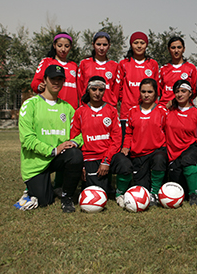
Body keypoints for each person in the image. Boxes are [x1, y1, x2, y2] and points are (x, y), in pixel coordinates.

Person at [17, 65, 83, 213]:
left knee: (75, 155)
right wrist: (52, 150)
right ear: (45, 80)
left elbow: (80, 134)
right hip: (37, 161)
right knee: (44, 201)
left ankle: (67, 196)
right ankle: (31, 188)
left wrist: (73, 142)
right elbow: (27, 139)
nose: (56, 82)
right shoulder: (30, 104)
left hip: (58, 157)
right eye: (52, 79)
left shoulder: (68, 108)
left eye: (60, 79)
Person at [71, 76, 130, 195]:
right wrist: (81, 165)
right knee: (98, 193)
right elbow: (74, 140)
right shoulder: (80, 112)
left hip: (108, 156)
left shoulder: (111, 111)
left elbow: (117, 139)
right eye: (94, 89)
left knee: (126, 164)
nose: (97, 93)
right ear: (88, 90)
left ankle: (120, 193)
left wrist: (106, 161)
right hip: (89, 158)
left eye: (101, 90)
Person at [117, 78, 168, 207]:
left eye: (150, 91)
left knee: (160, 158)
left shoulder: (162, 111)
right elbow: (128, 133)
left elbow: (168, 132)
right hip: (138, 155)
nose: (146, 95)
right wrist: (126, 146)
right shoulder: (132, 111)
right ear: (139, 92)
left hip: (156, 151)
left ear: (156, 93)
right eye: (143, 91)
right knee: (141, 188)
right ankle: (121, 193)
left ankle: (154, 193)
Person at [164, 80, 197, 205]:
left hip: (190, 149)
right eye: (177, 91)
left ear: (190, 93)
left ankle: (194, 195)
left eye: (183, 91)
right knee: (180, 189)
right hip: (173, 153)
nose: (180, 94)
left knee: (188, 160)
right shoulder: (168, 112)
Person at [118, 32, 159, 137]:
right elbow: (119, 88)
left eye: (142, 43)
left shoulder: (153, 64)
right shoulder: (123, 64)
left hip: (148, 111)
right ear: (131, 44)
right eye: (136, 43)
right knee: (127, 144)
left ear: (147, 45)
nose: (139, 46)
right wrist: (127, 99)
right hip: (127, 111)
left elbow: (156, 88)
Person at [31, 32, 78, 109]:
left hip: (71, 108)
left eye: (66, 46)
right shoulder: (47, 62)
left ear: (70, 47)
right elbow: (35, 82)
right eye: (60, 46)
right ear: (54, 45)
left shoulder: (74, 66)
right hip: (51, 107)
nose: (63, 49)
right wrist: (39, 86)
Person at [77, 31, 119, 106]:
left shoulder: (115, 65)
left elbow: (116, 89)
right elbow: (80, 87)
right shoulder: (84, 63)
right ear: (93, 45)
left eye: (105, 45)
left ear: (109, 46)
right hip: (88, 106)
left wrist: (112, 104)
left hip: (108, 107)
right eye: (98, 44)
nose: (101, 48)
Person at [159, 36, 197, 106]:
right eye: (173, 48)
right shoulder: (163, 69)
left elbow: (194, 90)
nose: (176, 50)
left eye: (179, 47)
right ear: (169, 49)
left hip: (184, 107)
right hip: (165, 107)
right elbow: (159, 90)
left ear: (184, 49)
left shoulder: (191, 68)